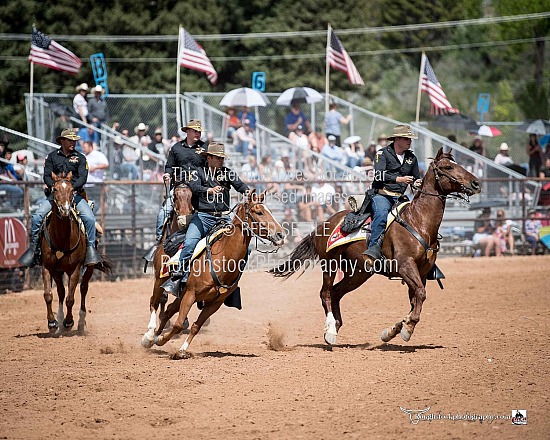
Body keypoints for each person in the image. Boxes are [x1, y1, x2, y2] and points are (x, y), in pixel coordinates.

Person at [162, 142, 250, 295]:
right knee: (189, 243)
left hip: (223, 219)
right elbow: (194, 187)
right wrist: (208, 190)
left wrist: (250, 193)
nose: (221, 160)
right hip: (203, 217)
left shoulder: (227, 173)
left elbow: (240, 186)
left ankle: (232, 280)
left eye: (222, 158)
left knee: (246, 248)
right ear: (208, 157)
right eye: (217, 157)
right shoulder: (197, 172)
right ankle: (179, 277)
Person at [18, 129, 102, 268]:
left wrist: (70, 189)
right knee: (37, 217)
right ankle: (35, 249)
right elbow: (46, 176)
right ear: (62, 141)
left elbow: (83, 177)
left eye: (74, 140)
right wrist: (56, 188)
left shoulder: (80, 158)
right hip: (55, 196)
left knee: (89, 218)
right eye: (70, 140)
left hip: (75, 195)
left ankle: (91, 249)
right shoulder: (51, 157)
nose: (73, 143)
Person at [362, 125, 422, 263]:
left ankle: (421, 256)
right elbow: (378, 174)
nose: (410, 141)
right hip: (382, 195)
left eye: (410, 139)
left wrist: (418, 183)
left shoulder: (411, 158)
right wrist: (399, 179)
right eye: (407, 138)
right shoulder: (382, 154)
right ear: (397, 139)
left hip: (400, 198)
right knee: (382, 214)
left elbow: (416, 177)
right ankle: (373, 250)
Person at [153, 119, 206, 246]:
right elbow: (169, 166)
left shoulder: (204, 148)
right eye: (195, 131)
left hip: (198, 188)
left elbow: (208, 168)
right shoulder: (176, 148)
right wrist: (167, 174)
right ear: (187, 131)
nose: (198, 134)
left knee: (210, 212)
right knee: (163, 212)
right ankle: (159, 240)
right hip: (179, 188)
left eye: (199, 131)